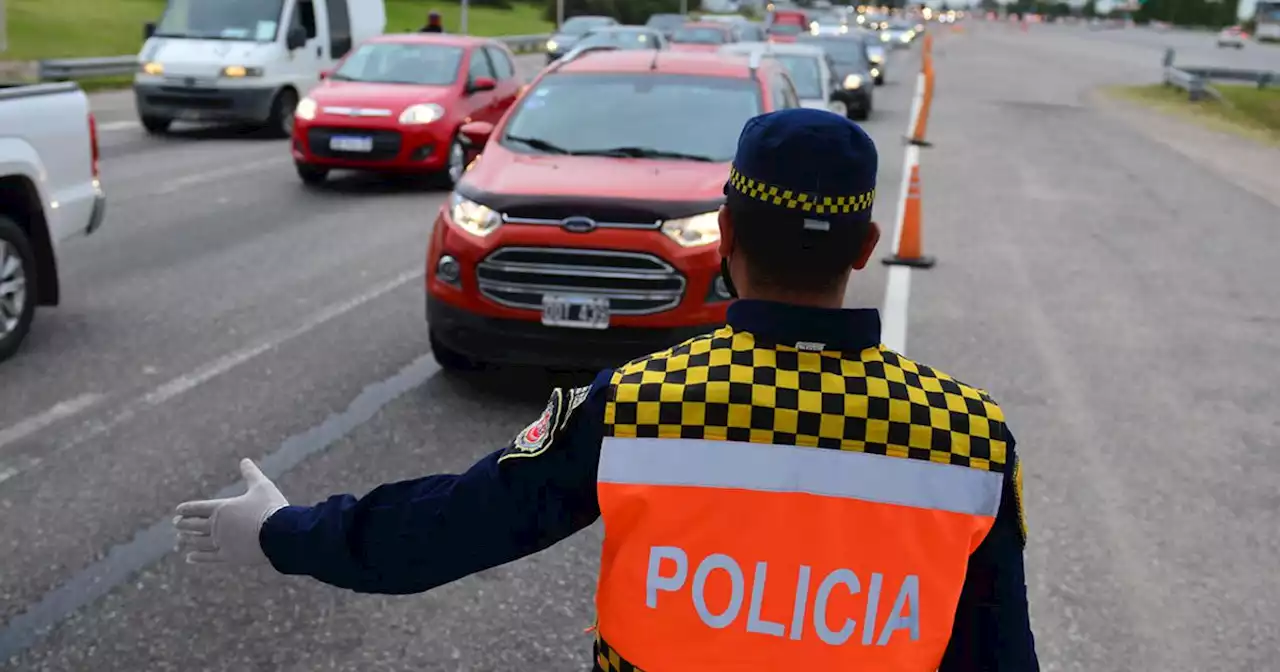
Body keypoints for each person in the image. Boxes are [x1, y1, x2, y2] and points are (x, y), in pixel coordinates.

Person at [174, 108, 1039, 671]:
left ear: (727, 231)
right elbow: (1000, 654)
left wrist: (283, 533)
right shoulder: (970, 437)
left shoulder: (639, 405)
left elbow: (447, 528)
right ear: (866, 247)